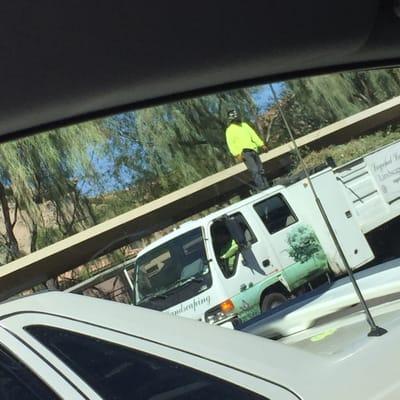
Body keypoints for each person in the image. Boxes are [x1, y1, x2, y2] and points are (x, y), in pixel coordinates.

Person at [225, 109, 269, 192]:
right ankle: (262, 187)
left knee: (260, 169)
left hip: (253, 150)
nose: (237, 118)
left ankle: (266, 185)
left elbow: (253, 135)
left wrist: (262, 145)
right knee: (254, 170)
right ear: (231, 119)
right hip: (244, 153)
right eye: (235, 117)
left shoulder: (244, 125)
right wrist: (237, 154)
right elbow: (231, 144)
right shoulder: (229, 130)